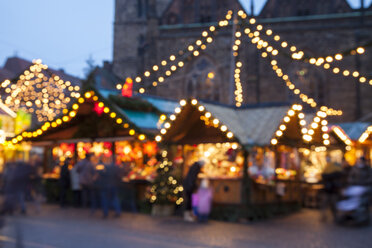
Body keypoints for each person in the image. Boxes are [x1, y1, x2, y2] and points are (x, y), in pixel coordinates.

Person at [320, 156, 343, 221]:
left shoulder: (329, 169)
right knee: (330, 203)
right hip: (331, 189)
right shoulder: (334, 169)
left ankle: (332, 216)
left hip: (331, 190)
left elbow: (323, 176)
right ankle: (332, 216)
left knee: (330, 203)